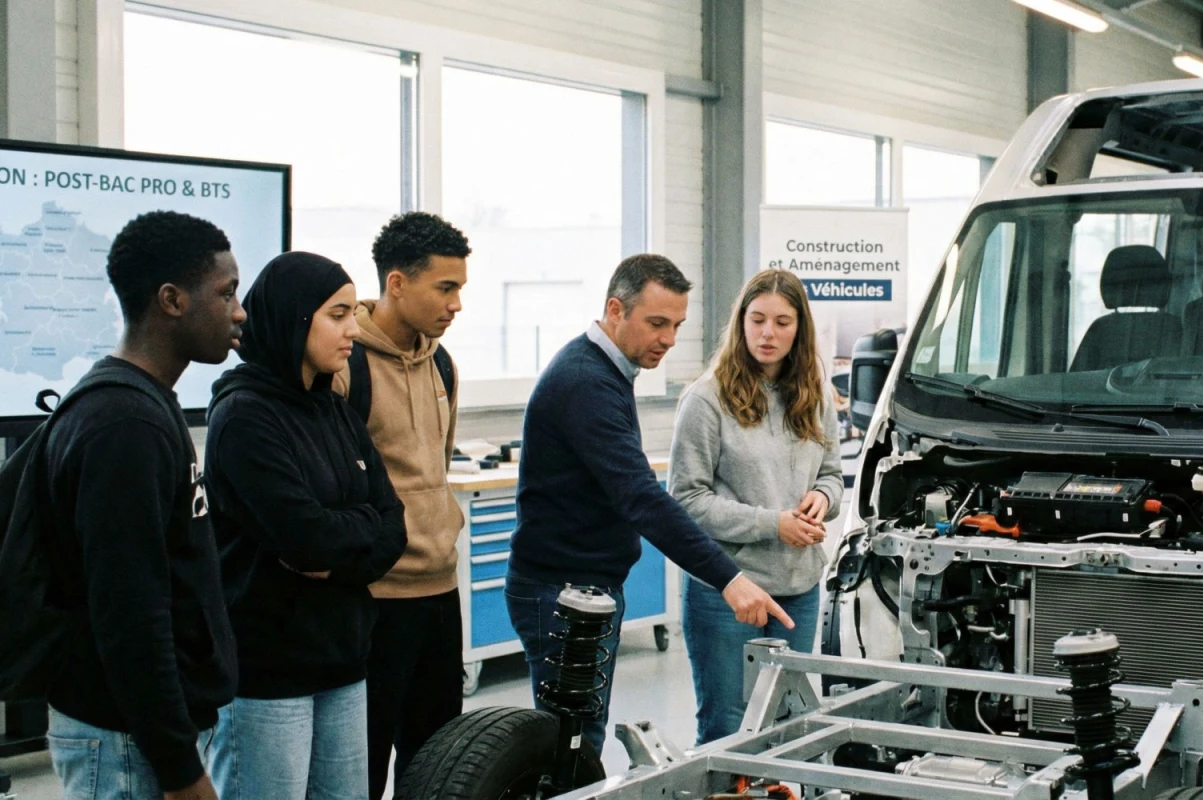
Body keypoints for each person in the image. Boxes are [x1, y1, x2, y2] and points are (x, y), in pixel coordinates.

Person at [507, 253, 794, 756]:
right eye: (657, 323)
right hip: (561, 590)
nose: (669, 339)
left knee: (577, 740)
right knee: (569, 746)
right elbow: (641, 498)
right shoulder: (586, 380)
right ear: (615, 310)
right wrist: (728, 577)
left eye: (677, 326)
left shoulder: (605, 371)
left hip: (583, 584)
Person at [44, 211, 242, 800]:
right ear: (172, 300)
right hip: (127, 741)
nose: (239, 312)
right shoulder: (125, 425)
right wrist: (181, 769)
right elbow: (130, 614)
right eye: (227, 293)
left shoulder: (144, 406)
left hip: (142, 734)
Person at [204, 252, 408, 798]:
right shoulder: (244, 415)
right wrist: (352, 532)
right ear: (296, 318)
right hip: (267, 673)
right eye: (337, 314)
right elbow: (306, 537)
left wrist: (340, 549)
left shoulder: (334, 408)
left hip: (342, 659)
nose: (354, 328)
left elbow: (394, 527)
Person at [670, 269, 844, 744]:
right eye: (758, 319)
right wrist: (775, 524)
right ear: (741, 323)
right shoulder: (706, 400)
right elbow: (686, 501)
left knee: (788, 724)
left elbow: (832, 472)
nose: (768, 333)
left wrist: (823, 498)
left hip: (799, 587)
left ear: (799, 329)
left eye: (783, 322)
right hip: (728, 590)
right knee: (729, 727)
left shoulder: (815, 396)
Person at [330, 212, 470, 798]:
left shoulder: (442, 362)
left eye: (461, 287)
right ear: (396, 283)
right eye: (445, 287)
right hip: (375, 599)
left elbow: (436, 464)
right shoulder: (347, 366)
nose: (457, 304)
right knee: (363, 763)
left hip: (440, 590)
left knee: (436, 761)